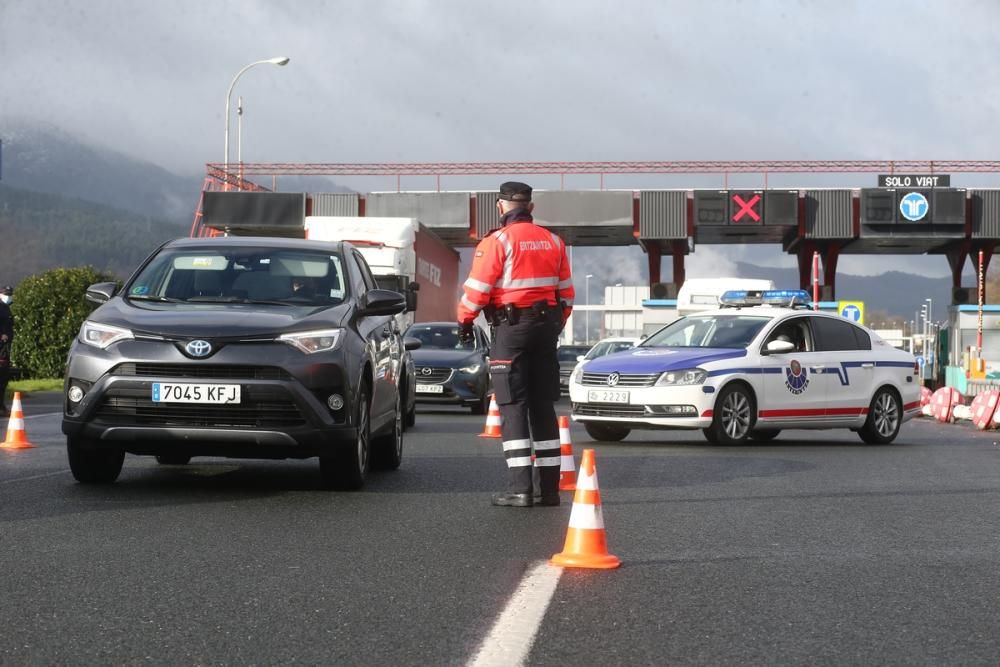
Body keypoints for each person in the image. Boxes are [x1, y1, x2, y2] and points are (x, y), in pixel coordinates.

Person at [457, 182, 574, 507]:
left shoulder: (497, 242)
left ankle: (521, 489)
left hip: (512, 328)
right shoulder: (555, 242)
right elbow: (566, 294)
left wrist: (465, 320)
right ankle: (548, 490)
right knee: (542, 405)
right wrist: (554, 324)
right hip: (546, 327)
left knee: (512, 405)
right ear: (531, 207)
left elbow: (478, 290)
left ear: (501, 207)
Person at [0, 285, 13, 416]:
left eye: (9, 294)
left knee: (3, 379)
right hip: (1, 347)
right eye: (6, 294)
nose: (8, 296)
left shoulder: (6, 307)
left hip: (5, 348)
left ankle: (1, 406)